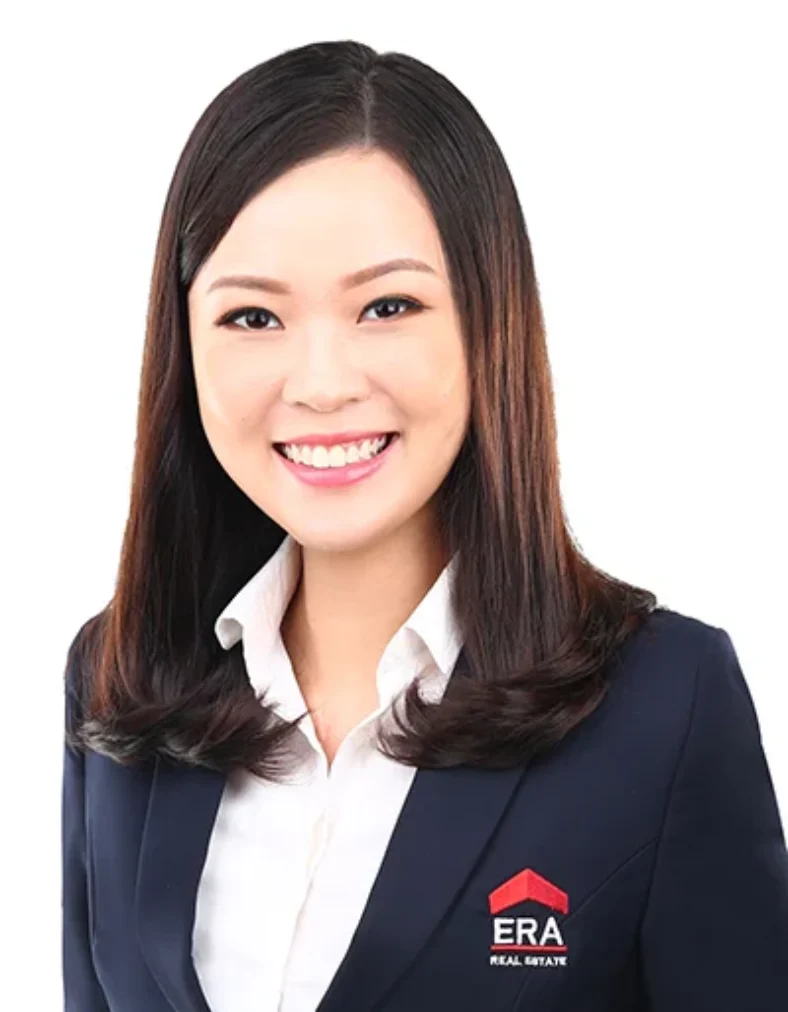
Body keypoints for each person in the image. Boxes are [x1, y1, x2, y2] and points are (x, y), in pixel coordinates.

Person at [61, 39, 788, 1012]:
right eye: (253, 318)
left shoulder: (665, 704)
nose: (321, 384)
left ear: (488, 325)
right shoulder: (119, 676)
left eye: (387, 305)